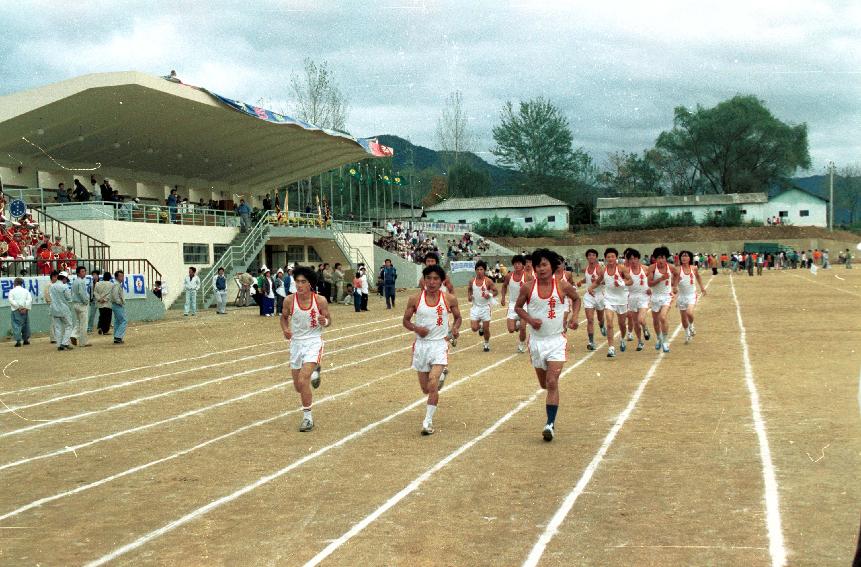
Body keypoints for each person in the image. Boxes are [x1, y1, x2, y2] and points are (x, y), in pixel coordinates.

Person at [514, 248, 581, 442]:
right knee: (544, 384)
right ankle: (551, 408)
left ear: (552, 266)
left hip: (556, 341)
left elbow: (576, 299)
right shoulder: (527, 287)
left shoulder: (562, 285)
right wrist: (530, 320)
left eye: (544, 264)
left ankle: (549, 424)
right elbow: (518, 307)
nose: (541, 269)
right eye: (537, 265)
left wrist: (575, 317)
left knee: (552, 382)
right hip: (536, 342)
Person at [403, 264, 462, 436]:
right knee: (425, 389)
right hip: (421, 346)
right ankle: (441, 375)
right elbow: (405, 321)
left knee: (433, 382)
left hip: (439, 344)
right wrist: (416, 328)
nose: (431, 282)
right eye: (428, 278)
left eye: (436, 278)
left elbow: (458, 318)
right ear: (423, 280)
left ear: (441, 281)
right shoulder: (414, 299)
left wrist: (455, 329)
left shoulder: (449, 299)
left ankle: (427, 422)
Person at [280, 265, 331, 432]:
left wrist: (325, 322)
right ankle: (315, 370)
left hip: (313, 342)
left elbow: (329, 320)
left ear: (310, 284)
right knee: (298, 387)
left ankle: (307, 418)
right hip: (296, 343)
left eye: (303, 282)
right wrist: (286, 329)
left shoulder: (320, 300)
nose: (299, 285)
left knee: (303, 381)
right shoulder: (289, 300)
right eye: (297, 281)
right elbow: (284, 318)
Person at [588, 248, 632, 358]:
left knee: (622, 324)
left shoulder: (621, 268)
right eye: (608, 257)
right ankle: (611, 348)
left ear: (616, 258)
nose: (610, 258)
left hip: (621, 300)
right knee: (609, 322)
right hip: (609, 299)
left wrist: (622, 283)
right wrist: (591, 287)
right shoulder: (603, 270)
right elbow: (598, 281)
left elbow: (631, 281)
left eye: (612, 256)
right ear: (606, 258)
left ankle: (622, 338)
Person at [500, 254, 532, 353]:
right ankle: (517, 324)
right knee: (511, 329)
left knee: (523, 327)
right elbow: (504, 286)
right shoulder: (509, 276)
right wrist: (503, 297)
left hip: (524, 305)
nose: (517, 265)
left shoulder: (528, 276)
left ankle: (522, 345)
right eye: (515, 264)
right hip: (513, 304)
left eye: (519, 263)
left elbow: (533, 289)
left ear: (523, 265)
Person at [577, 248, 607, 351]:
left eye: (593, 255)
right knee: (590, 320)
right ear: (587, 257)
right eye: (589, 255)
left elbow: (605, 282)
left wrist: (597, 282)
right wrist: (581, 281)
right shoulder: (586, 269)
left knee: (600, 318)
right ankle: (591, 342)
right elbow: (587, 278)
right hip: (589, 296)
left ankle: (602, 325)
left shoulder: (600, 269)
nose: (591, 257)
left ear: (596, 257)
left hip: (599, 296)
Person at [646, 246, 674, 353]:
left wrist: (674, 286)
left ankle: (665, 341)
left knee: (663, 317)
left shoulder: (670, 267)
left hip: (667, 296)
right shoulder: (652, 268)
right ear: (655, 259)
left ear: (666, 258)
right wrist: (661, 278)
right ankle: (659, 338)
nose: (661, 260)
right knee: (656, 320)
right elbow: (649, 283)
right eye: (658, 258)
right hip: (655, 296)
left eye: (663, 258)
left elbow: (677, 275)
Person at [674, 250, 706, 345]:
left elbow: (698, 277)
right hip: (681, 296)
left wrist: (702, 288)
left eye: (686, 256)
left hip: (691, 295)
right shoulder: (678, 270)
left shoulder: (694, 268)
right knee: (683, 318)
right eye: (682, 256)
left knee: (689, 312)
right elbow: (674, 283)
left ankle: (691, 325)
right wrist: (675, 288)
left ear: (690, 258)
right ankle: (687, 333)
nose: (684, 257)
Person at [467, 260, 498, 352]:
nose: (479, 271)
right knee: (474, 328)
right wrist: (469, 296)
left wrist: (490, 295)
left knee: (486, 329)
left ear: (484, 270)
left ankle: (486, 343)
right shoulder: (472, 281)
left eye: (481, 269)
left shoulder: (488, 281)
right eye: (477, 269)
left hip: (485, 308)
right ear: (475, 270)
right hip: (475, 307)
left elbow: (496, 291)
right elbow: (469, 289)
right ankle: (479, 326)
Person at [625, 249, 651, 351]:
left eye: (635, 258)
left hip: (644, 296)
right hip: (632, 297)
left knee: (641, 319)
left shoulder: (645, 269)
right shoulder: (626, 271)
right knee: (635, 322)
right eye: (630, 259)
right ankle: (640, 342)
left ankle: (645, 328)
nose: (633, 260)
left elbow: (652, 280)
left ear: (638, 258)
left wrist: (650, 288)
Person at [50, 271, 74, 351]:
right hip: (64, 309)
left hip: (54, 309)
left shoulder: (52, 286)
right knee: (69, 326)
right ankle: (65, 343)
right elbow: (69, 298)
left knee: (58, 327)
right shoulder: (65, 287)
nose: (66, 281)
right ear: (64, 278)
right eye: (66, 279)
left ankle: (59, 344)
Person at [70, 265, 91, 347]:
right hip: (81, 304)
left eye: (85, 271)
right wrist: (86, 301)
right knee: (84, 324)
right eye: (82, 271)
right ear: (78, 273)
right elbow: (82, 293)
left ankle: (73, 335)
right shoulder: (81, 282)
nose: (84, 273)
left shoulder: (75, 281)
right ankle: (83, 342)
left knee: (79, 322)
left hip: (75, 304)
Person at [8, 277, 32, 347]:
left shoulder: (12, 291)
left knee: (16, 325)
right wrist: (25, 308)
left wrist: (18, 307)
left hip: (16, 310)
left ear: (15, 283)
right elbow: (29, 300)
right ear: (21, 283)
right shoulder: (26, 291)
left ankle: (18, 341)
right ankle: (26, 340)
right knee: (26, 324)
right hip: (25, 310)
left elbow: (11, 300)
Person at [111, 270, 127, 344]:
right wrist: (120, 302)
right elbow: (115, 296)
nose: (122, 278)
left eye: (123, 276)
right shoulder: (116, 285)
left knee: (117, 321)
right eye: (121, 276)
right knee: (123, 321)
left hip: (115, 304)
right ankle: (118, 336)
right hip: (117, 304)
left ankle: (116, 337)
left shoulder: (116, 284)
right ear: (116, 277)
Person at [43, 270, 58, 343]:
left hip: (58, 305)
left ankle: (57, 336)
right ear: (51, 277)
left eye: (57, 277)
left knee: (58, 321)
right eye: (54, 277)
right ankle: (53, 338)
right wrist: (50, 302)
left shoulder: (57, 285)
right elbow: (47, 295)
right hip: (52, 304)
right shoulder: (49, 285)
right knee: (53, 321)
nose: (56, 278)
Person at [87, 268, 101, 333]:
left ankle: (100, 327)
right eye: (93, 275)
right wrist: (90, 300)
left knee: (102, 314)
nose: (94, 276)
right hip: (93, 300)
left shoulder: (101, 283)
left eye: (95, 275)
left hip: (100, 300)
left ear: (98, 276)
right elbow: (90, 292)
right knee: (92, 315)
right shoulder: (91, 283)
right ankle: (89, 328)